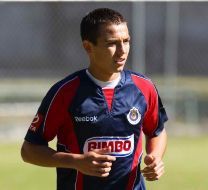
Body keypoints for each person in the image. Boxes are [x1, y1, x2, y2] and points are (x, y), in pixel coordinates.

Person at [21, 8, 168, 190]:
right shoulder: (65, 92)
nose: (122, 50)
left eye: (126, 41)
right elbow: (29, 150)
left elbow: (157, 130)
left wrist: (155, 156)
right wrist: (77, 161)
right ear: (88, 47)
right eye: (111, 43)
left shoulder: (144, 87)